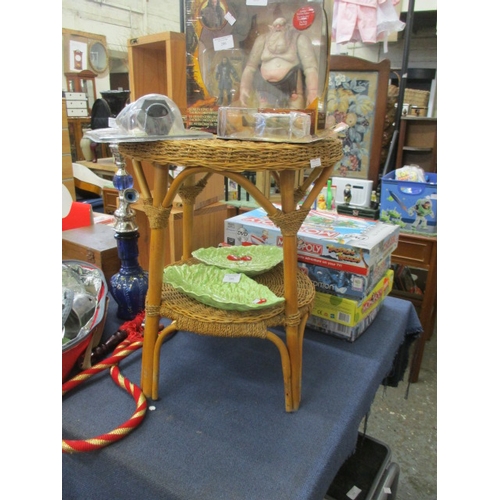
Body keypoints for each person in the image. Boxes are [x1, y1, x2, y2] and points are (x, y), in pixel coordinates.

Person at [239, 17, 319, 109]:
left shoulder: (299, 39)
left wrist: (313, 91)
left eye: (282, 25)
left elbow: (310, 68)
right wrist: (244, 87)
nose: (278, 27)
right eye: (276, 25)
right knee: (264, 117)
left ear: (288, 27)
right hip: (266, 88)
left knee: (296, 118)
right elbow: (250, 67)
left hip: (291, 85)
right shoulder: (262, 40)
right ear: (271, 28)